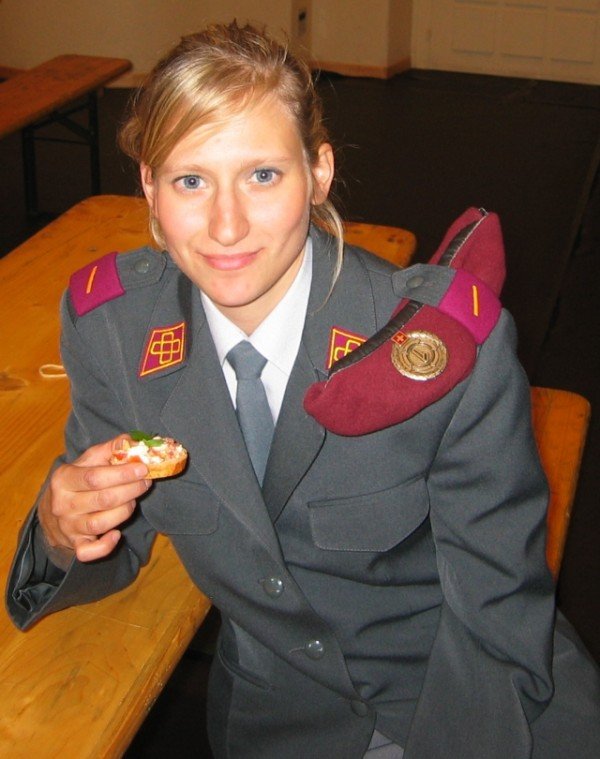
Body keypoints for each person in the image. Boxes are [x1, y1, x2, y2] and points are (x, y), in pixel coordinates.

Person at [5, 21, 600, 759]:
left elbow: (497, 612)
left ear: (317, 174)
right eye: (192, 180)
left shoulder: (440, 348)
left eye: (262, 175)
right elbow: (115, 542)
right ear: (150, 191)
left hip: (467, 702)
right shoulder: (115, 332)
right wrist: (65, 530)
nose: (227, 225)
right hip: (282, 724)